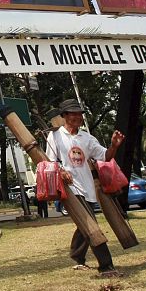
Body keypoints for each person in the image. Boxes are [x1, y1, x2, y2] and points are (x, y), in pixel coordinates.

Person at [46, 99, 125, 277]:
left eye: (79, 113)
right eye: (73, 113)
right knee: (91, 225)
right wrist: (61, 171)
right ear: (64, 116)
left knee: (84, 225)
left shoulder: (87, 138)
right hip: (70, 189)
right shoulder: (55, 136)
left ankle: (77, 257)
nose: (77, 117)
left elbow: (105, 156)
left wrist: (114, 145)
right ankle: (106, 266)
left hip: (88, 188)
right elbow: (50, 162)